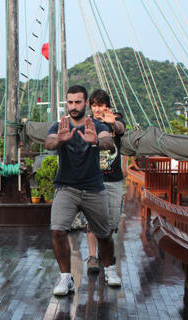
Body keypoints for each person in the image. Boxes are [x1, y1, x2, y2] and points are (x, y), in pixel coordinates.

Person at [45, 85, 115, 296]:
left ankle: (110, 269)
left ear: (86, 103)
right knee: (58, 230)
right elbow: (48, 142)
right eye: (70, 102)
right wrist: (59, 139)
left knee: (103, 234)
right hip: (67, 187)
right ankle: (66, 277)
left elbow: (108, 141)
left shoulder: (96, 124)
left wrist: (97, 141)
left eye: (78, 102)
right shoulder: (60, 126)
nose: (74, 106)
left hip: (93, 187)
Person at [84, 90, 125, 287]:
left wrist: (111, 121)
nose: (98, 109)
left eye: (101, 105)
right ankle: (93, 256)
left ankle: (105, 254)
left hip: (114, 178)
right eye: (94, 105)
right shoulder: (88, 122)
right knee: (92, 221)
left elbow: (121, 129)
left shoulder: (115, 118)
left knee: (112, 223)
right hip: (93, 179)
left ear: (107, 105)